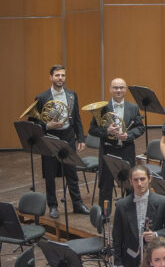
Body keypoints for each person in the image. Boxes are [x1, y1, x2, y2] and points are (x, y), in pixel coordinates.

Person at [113, 163, 165, 267]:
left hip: (155, 261)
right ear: (130, 181)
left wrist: (156, 234)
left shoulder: (162, 202)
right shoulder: (121, 205)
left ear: (149, 179)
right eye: (136, 180)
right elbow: (117, 237)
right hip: (131, 261)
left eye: (142, 179)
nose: (139, 184)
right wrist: (118, 264)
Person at [32, 64, 88, 218]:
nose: (60, 78)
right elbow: (34, 120)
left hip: (68, 137)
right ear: (51, 77)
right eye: (57, 75)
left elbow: (76, 118)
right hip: (49, 138)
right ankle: (53, 206)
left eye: (62, 75)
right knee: (49, 174)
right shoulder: (42, 97)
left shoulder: (71, 95)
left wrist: (81, 138)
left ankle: (77, 204)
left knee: (72, 173)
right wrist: (47, 125)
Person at [89, 77, 145, 210]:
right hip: (108, 150)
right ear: (110, 89)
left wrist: (129, 135)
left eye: (121, 88)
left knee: (129, 184)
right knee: (106, 185)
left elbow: (140, 128)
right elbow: (92, 130)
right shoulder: (102, 108)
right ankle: (105, 215)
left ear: (125, 89)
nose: (118, 90)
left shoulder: (133, 107)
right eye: (115, 87)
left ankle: (129, 213)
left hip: (126, 150)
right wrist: (107, 131)